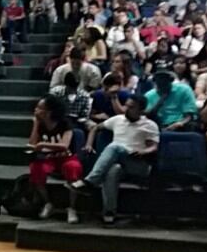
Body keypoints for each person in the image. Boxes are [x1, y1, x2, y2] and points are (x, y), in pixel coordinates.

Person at [67, 95, 160, 224]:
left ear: (141, 110)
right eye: (126, 105)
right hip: (118, 163)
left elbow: (153, 147)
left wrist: (143, 151)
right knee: (112, 170)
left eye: (131, 107)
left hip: (138, 163)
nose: (126, 109)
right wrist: (88, 144)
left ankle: (89, 182)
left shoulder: (149, 125)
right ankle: (109, 211)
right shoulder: (118, 120)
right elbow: (95, 128)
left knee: (115, 147)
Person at [28, 94, 84, 223]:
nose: (36, 110)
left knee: (73, 167)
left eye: (39, 108)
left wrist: (43, 145)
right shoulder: (40, 125)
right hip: (48, 159)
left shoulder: (65, 123)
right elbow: (32, 144)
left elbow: (64, 145)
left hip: (67, 157)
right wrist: (35, 125)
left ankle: (72, 207)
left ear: (49, 112)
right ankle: (48, 203)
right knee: (36, 168)